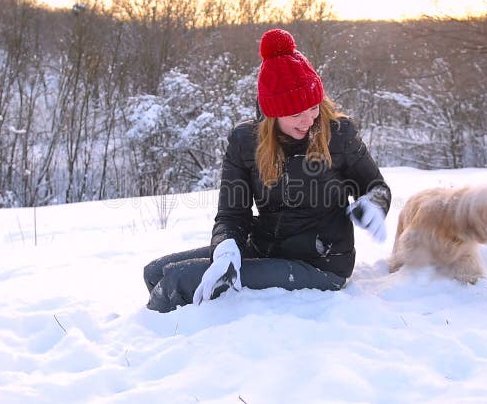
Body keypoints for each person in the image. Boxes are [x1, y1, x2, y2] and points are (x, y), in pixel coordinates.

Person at [143, 28, 391, 312]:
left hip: (320, 263)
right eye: (296, 114)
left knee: (177, 282)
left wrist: (373, 204)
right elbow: (231, 214)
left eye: (313, 108)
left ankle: (165, 342)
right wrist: (226, 248)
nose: (308, 121)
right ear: (272, 115)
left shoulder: (339, 134)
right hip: (263, 247)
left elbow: (376, 186)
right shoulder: (244, 142)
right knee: (155, 272)